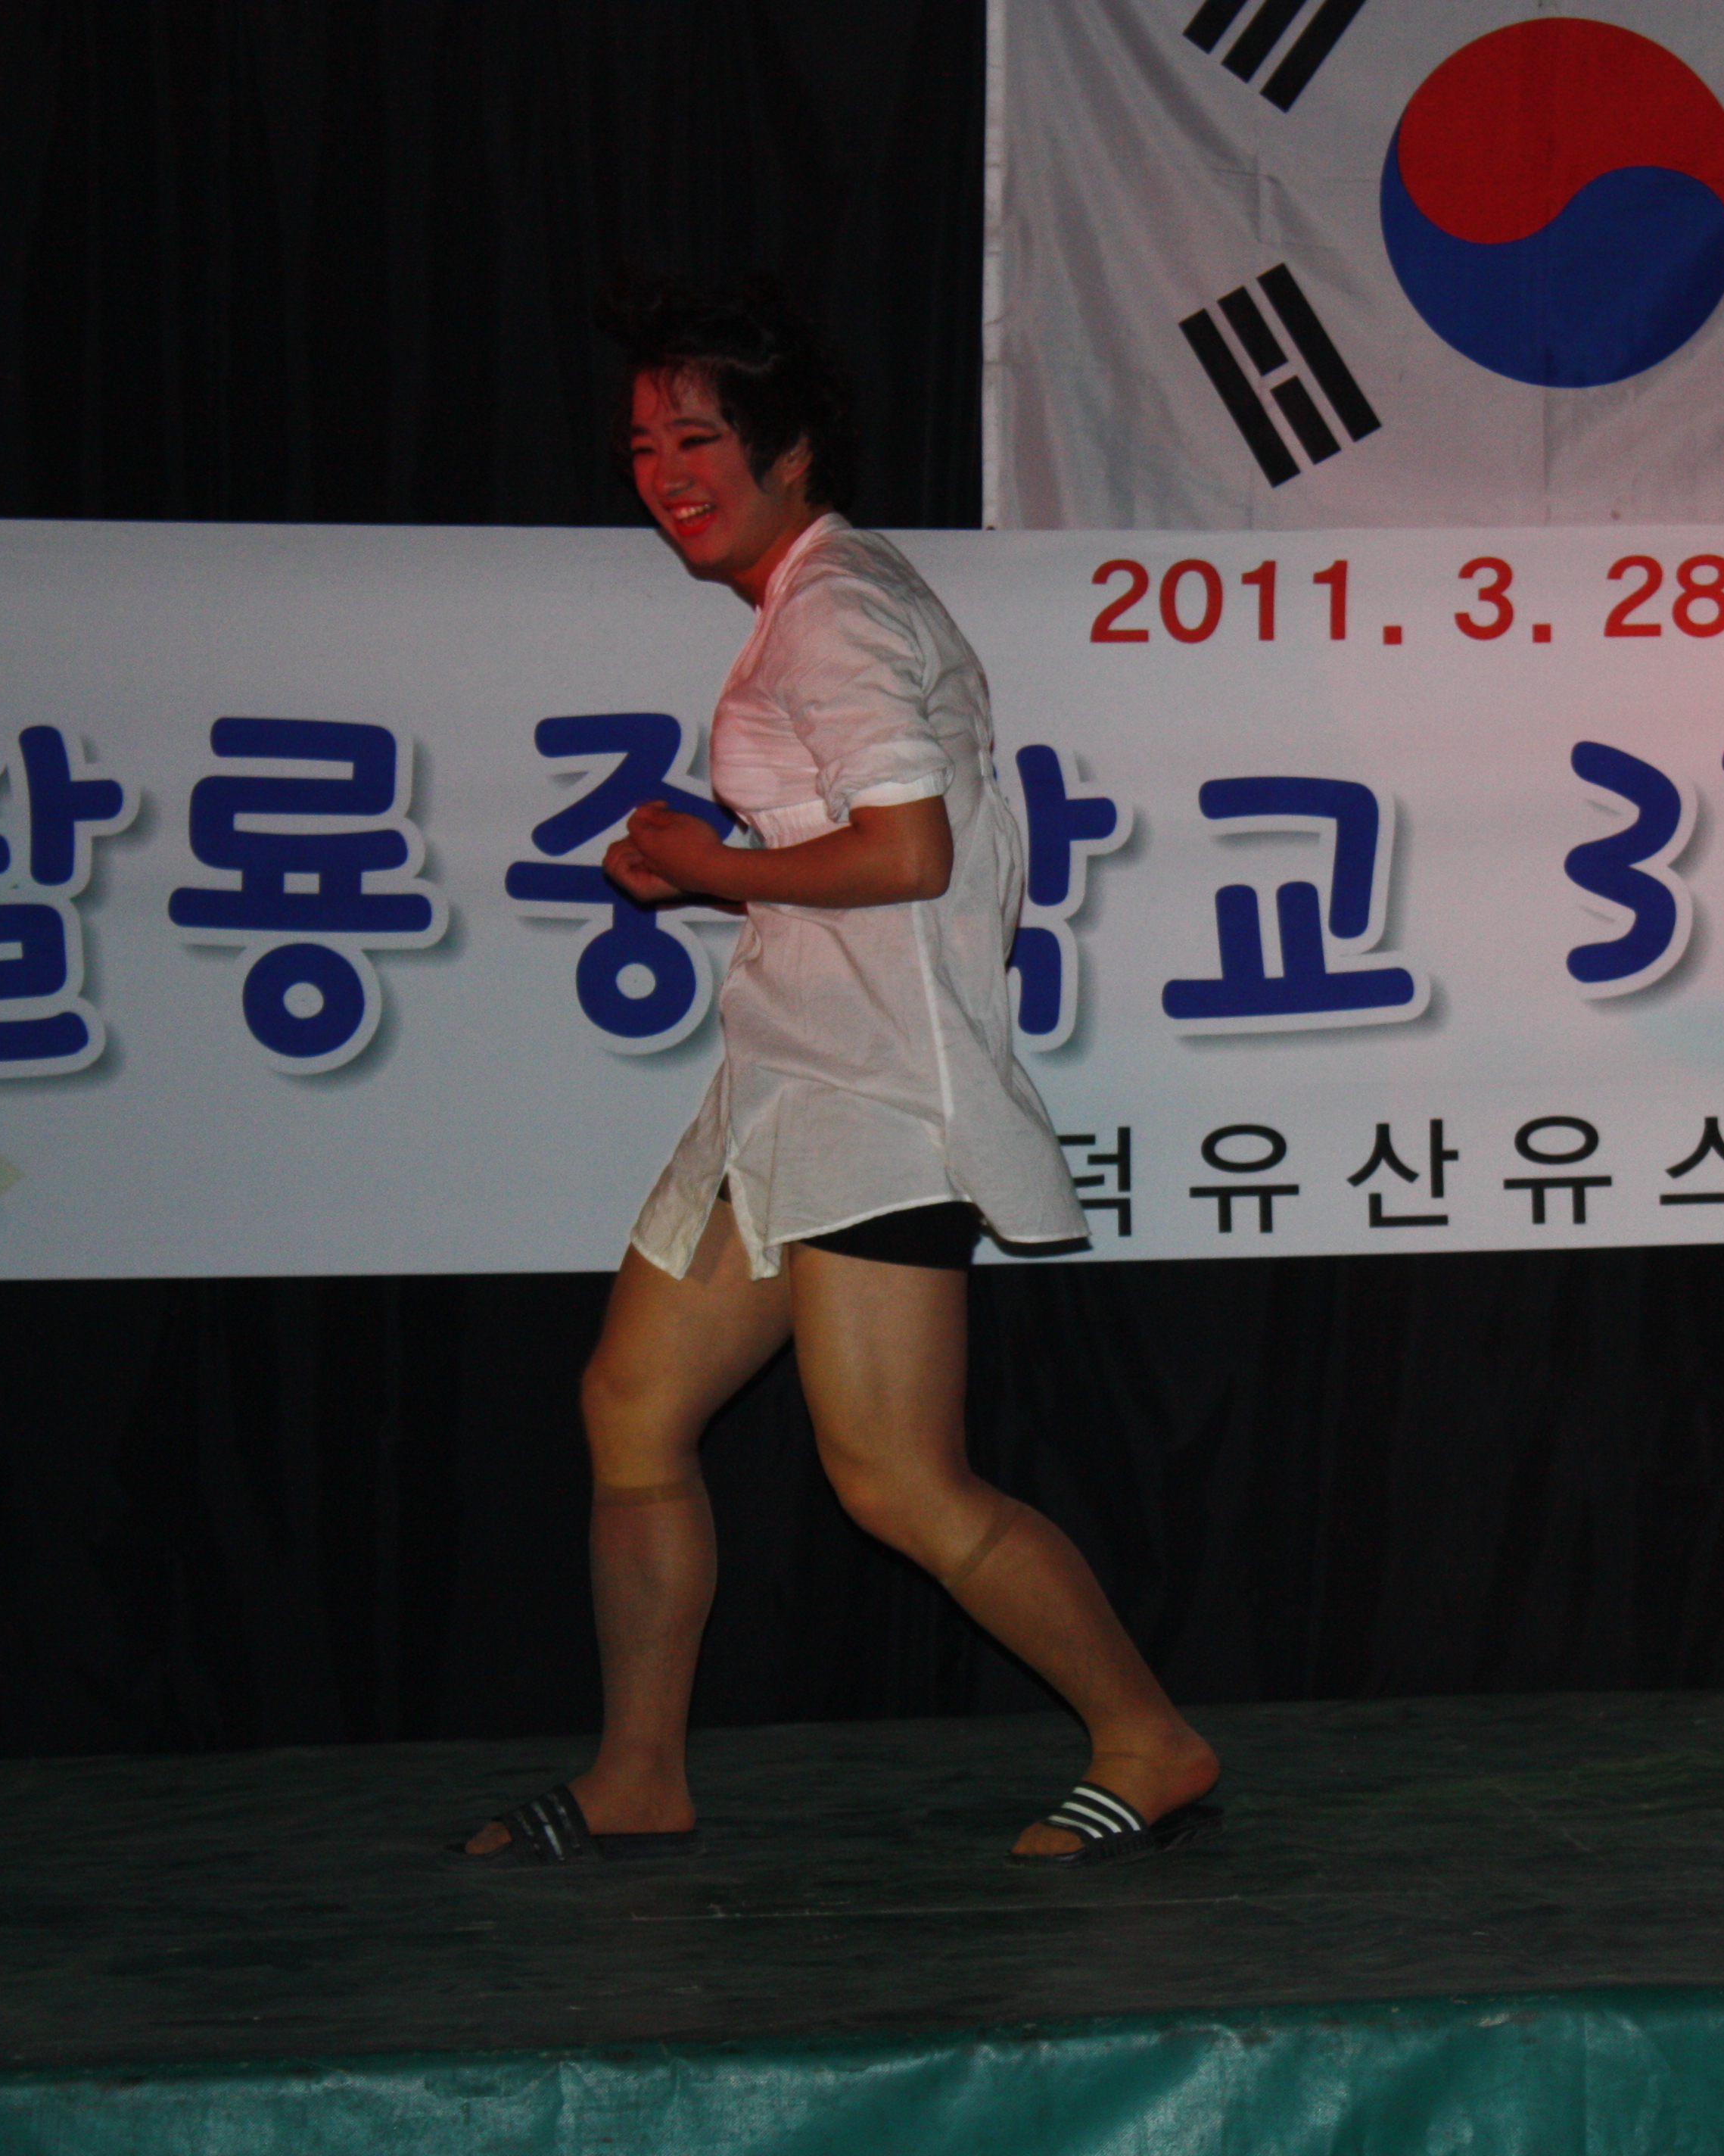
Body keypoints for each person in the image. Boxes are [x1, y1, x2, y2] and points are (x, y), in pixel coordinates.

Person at [457, 281, 1217, 1868]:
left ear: (791, 449)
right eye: (643, 447)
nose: (666, 474)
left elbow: (909, 851)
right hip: (787, 1081)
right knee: (632, 1404)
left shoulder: (839, 609)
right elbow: (865, 852)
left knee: (895, 1479)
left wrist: (710, 865)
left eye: (697, 438)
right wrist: (709, 874)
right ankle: (639, 1776)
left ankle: (1151, 1740)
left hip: (877, 1096)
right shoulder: (809, 600)